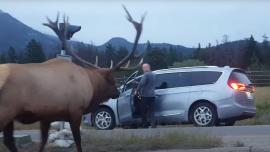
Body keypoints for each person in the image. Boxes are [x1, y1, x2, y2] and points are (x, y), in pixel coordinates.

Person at [135, 63, 156, 128]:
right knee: (152, 110)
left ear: (147, 67)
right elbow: (149, 83)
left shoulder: (146, 74)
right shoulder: (153, 74)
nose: (143, 69)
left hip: (145, 95)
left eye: (143, 68)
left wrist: (137, 90)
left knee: (143, 110)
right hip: (152, 95)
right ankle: (153, 124)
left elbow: (142, 83)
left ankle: (145, 124)